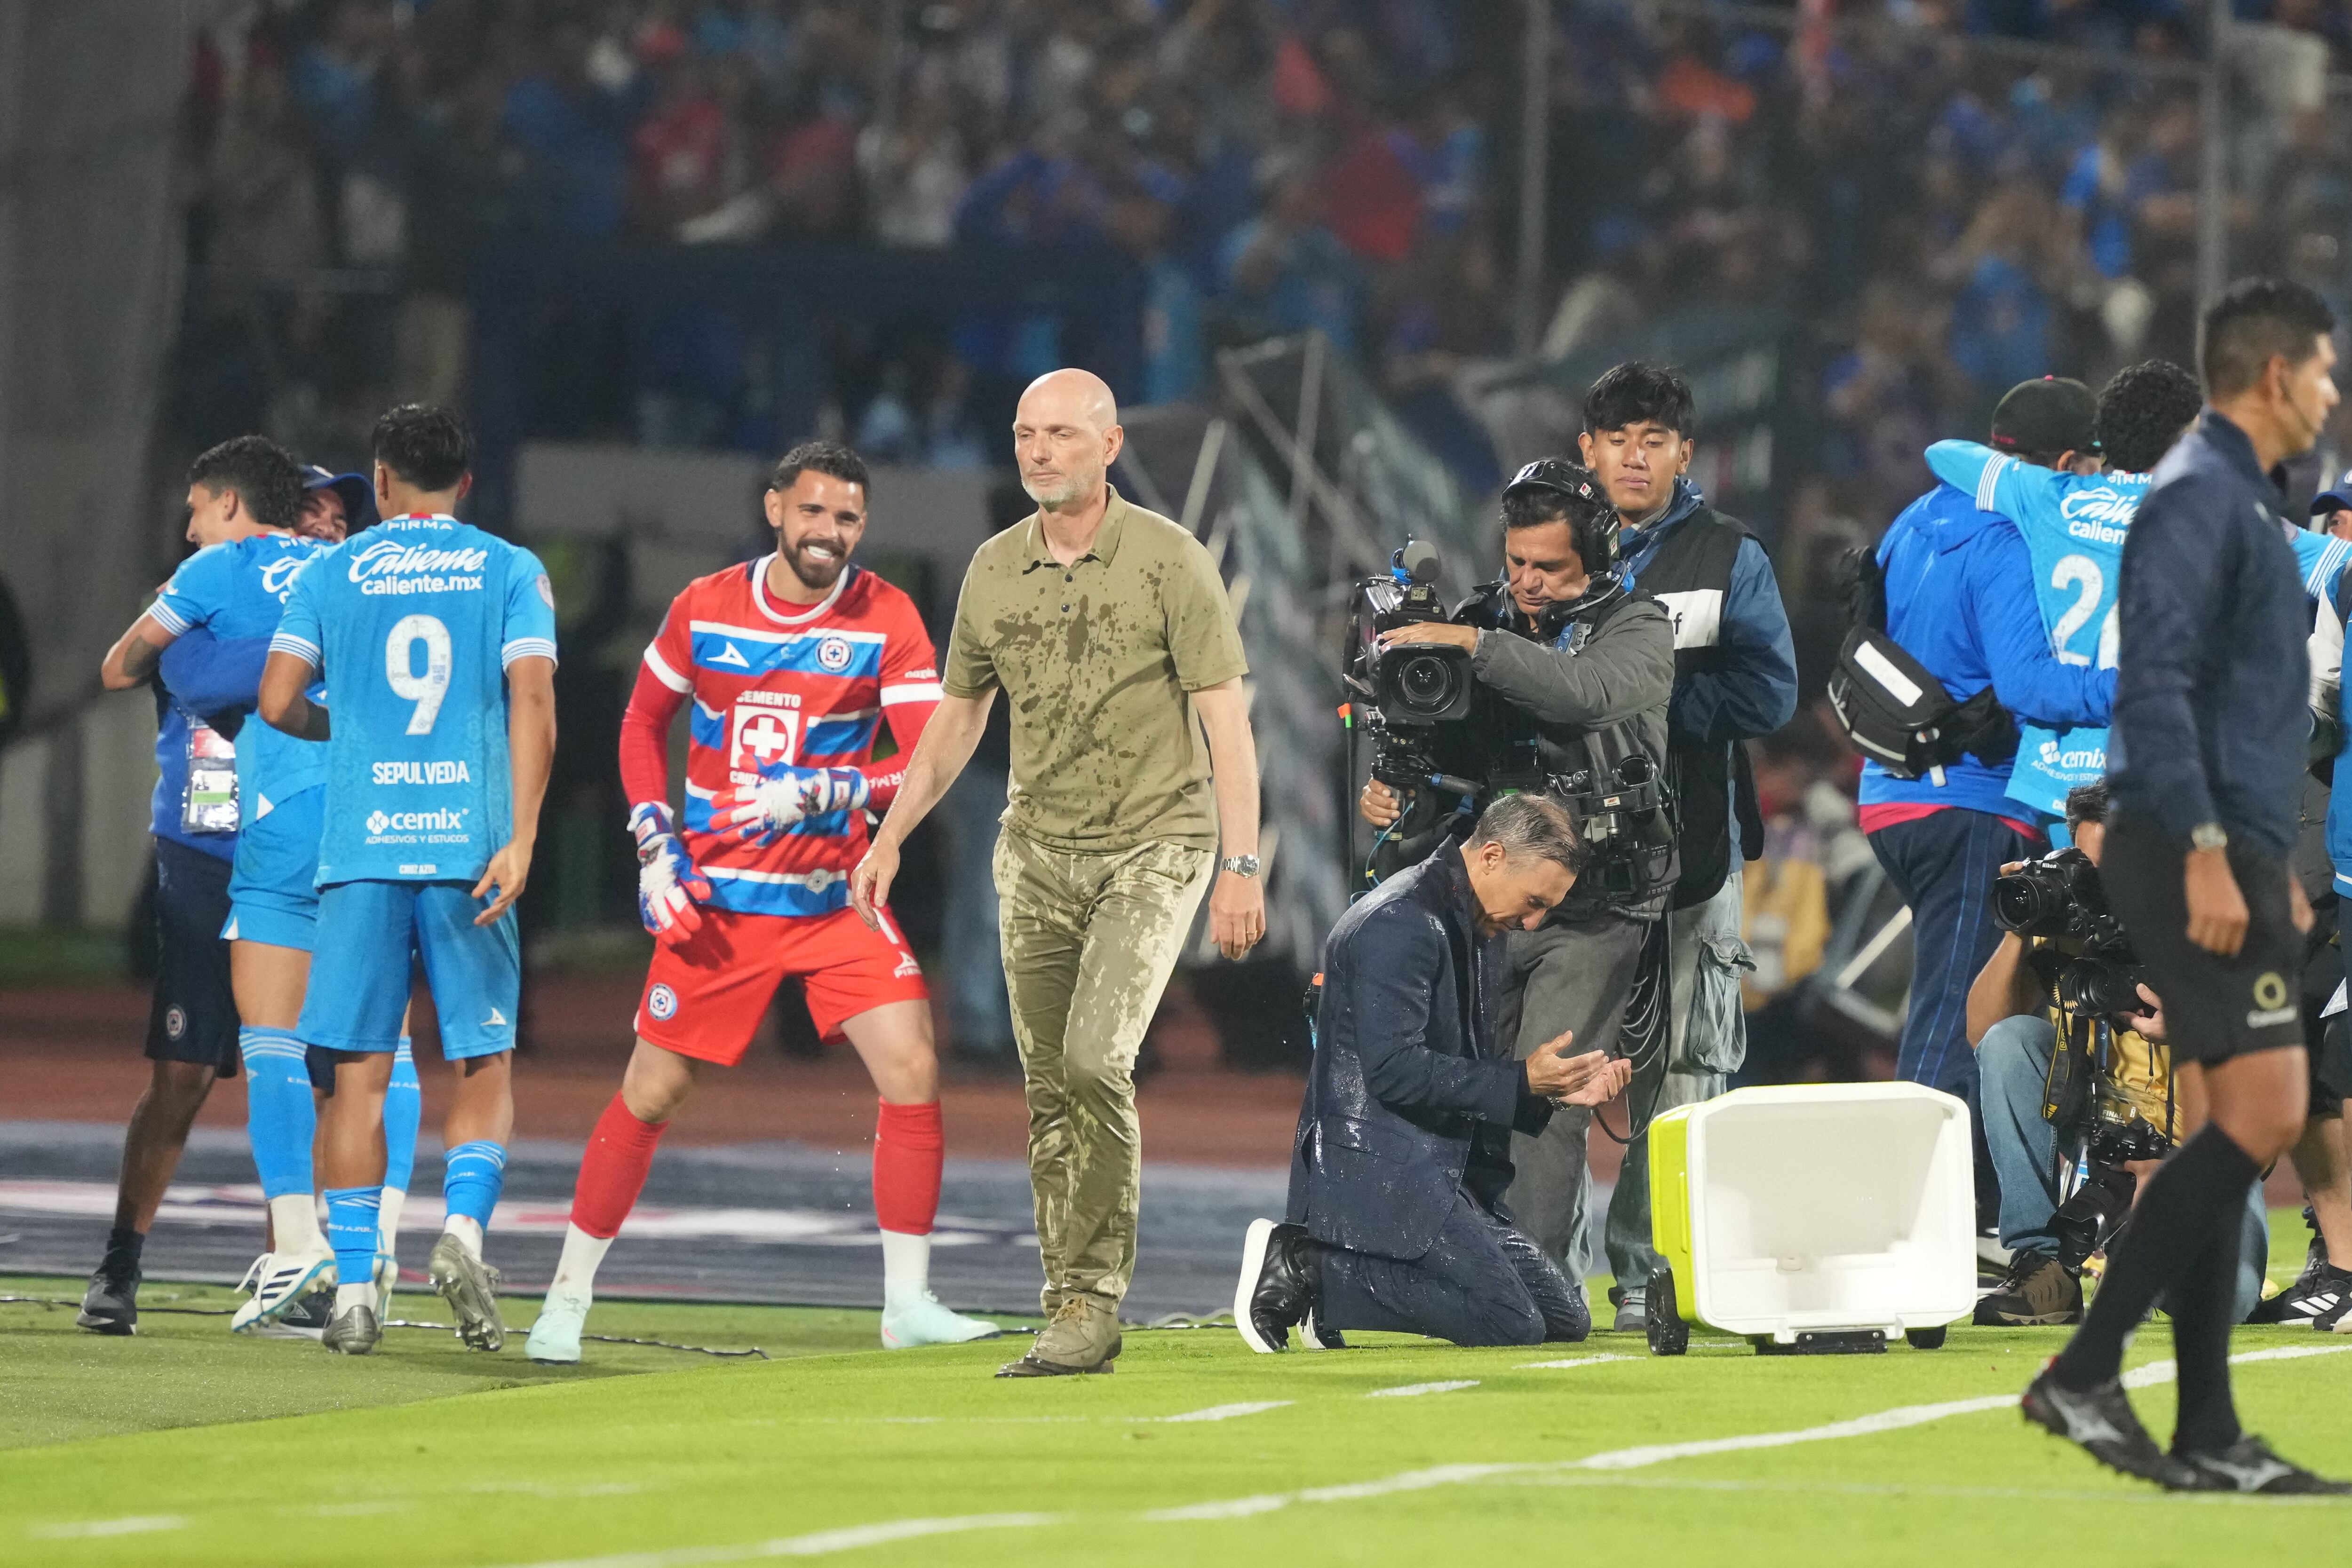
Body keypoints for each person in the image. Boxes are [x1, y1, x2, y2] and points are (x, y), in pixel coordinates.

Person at [523, 441, 999, 1362]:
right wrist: (652, 840)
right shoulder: (704, 605)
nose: (830, 533)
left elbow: (925, 753)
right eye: (814, 512)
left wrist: (833, 790)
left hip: (833, 896)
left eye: (849, 518)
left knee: (912, 1067)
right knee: (651, 1091)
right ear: (776, 508)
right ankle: (564, 1298)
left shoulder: (886, 615)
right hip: (722, 902)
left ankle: (906, 1303)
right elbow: (639, 722)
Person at [851, 367, 1265, 1378]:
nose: (1039, 450)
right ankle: (1070, 1304)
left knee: (1093, 1060)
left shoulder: (1173, 562)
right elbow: (958, 720)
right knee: (1045, 1089)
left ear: (1109, 444)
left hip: (1155, 844)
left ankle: (1097, 1292)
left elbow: (1227, 725)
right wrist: (892, 832)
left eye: (1062, 435)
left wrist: (1240, 864)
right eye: (1026, 434)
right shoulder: (993, 569)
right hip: (1034, 851)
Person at [2024, 277, 2348, 1495]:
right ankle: (2088, 1368)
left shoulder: (2238, 500)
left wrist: (2272, 859)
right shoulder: (2198, 498)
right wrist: (2217, 850)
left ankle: (2208, 1426)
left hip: (2228, 839)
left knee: (2234, 1115)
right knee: (2267, 1111)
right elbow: (2153, 685)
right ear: (2272, 377)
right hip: (2186, 837)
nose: (2329, 391)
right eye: (2320, 371)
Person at [258, 404, 557, 1356]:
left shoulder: (329, 568)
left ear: (380, 481)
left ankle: (352, 1288)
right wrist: (522, 833)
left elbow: (274, 700)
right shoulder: (511, 568)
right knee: (482, 1059)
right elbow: (535, 699)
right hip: (470, 848)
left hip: (359, 851)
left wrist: (346, 733)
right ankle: (463, 1231)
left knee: (353, 1077)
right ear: (464, 482)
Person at [105, 445, 423, 1338]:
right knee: (206, 1068)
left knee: (312, 1049)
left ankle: (309, 1248)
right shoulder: (350, 582)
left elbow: (165, 669)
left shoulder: (227, 577)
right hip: (237, 843)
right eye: (318, 506)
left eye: (341, 511)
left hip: (281, 830)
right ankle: (139, 1263)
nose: (330, 520)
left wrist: (237, 646)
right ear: (288, 507)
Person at [1356, 460, 1675, 1296]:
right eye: (1517, 562)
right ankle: (1456, 1268)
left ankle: (1530, 1284)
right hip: (1490, 904)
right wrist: (1400, 788)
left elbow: (1581, 694)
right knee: (1472, 1086)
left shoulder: (1637, 626)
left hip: (1594, 902)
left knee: (1548, 1091)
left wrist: (1476, 644)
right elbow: (1442, 748)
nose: (1526, 582)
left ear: (1596, 559)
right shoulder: (1482, 619)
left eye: (1549, 567)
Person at [1234, 795, 1634, 1351]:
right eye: (1534, 901)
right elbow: (1394, 1072)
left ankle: (1336, 1272)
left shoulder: (1470, 922)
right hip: (1380, 1165)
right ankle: (1310, 1265)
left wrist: (1558, 1094)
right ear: (1491, 857)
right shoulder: (1400, 923)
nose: (1534, 921)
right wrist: (1521, 1081)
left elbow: (1457, 1068)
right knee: (1509, 1322)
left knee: (1565, 1320)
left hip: (1440, 1166)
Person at [1574, 362, 1798, 1331]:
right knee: (1542, 1050)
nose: (1635, 453)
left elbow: (1771, 693)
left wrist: (1639, 699)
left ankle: (1645, 1272)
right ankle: (1529, 1267)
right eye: (1618, 436)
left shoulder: (1726, 552)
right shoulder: (1546, 544)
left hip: (1695, 845)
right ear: (1587, 448)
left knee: (1686, 1066)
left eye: (1654, 439)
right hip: (1564, 853)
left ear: (1683, 453)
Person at [1855, 378, 2117, 1209]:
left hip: (1892, 792)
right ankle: (1906, 1222)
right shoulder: (2010, 535)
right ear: (2069, 463)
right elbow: (2028, 682)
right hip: (1971, 803)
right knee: (1953, 1020)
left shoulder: (1916, 516)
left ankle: (1981, 1207)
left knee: (1979, 1003)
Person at [74, 438, 311, 1333]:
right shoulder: (321, 579)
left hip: (231, 845)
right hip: (249, 844)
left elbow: (119, 665)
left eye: (194, 507)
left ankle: (265, 1269)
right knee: (272, 1069)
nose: (187, 526)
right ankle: (138, 1264)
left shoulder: (207, 576)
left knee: (219, 1074)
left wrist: (208, 657)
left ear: (224, 503)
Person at [1964, 782, 2269, 1326]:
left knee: (2221, 1300)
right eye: (2089, 866)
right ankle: (2043, 1261)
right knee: (2011, 1040)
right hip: (2095, 1147)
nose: (2101, 885)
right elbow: (1983, 1034)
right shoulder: (2070, 920)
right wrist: (2021, 927)